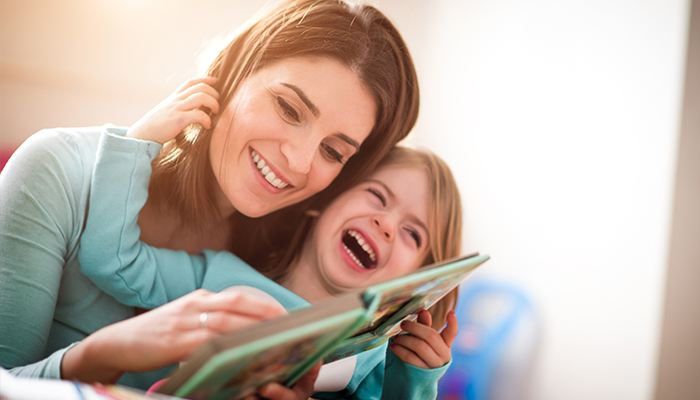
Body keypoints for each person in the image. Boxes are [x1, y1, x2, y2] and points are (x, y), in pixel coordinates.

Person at [0, 0, 419, 395]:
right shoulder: (57, 170)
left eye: (333, 152)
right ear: (235, 71)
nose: (298, 161)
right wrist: (103, 354)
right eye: (289, 109)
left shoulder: (291, 253)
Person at [79, 128, 463, 398]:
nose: (387, 225)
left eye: (413, 234)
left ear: (417, 275)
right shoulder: (217, 275)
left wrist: (415, 378)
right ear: (323, 200)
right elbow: (110, 259)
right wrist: (135, 144)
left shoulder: (377, 360)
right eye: (377, 196)